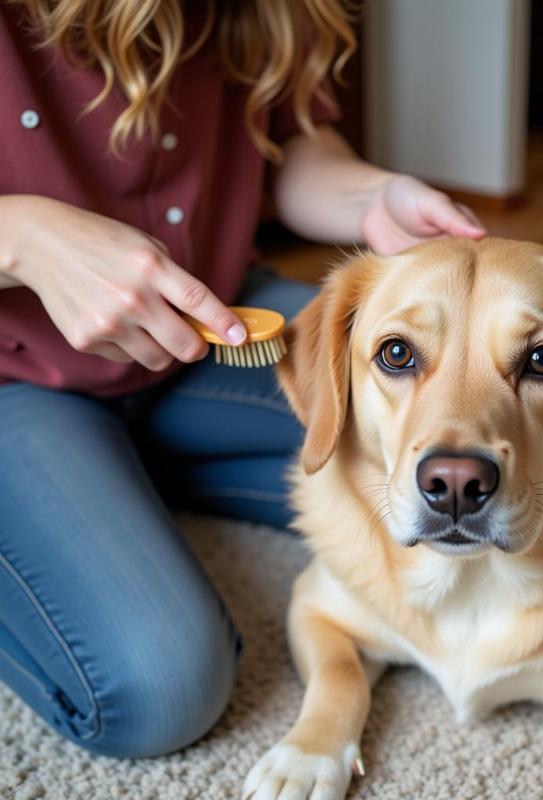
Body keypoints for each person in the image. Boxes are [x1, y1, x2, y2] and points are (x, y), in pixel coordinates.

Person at [0, 0, 486, 759]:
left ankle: (118, 480)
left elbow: (291, 145)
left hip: (214, 328)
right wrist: (23, 238)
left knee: (502, 470)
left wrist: (373, 198)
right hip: (14, 378)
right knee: (160, 687)